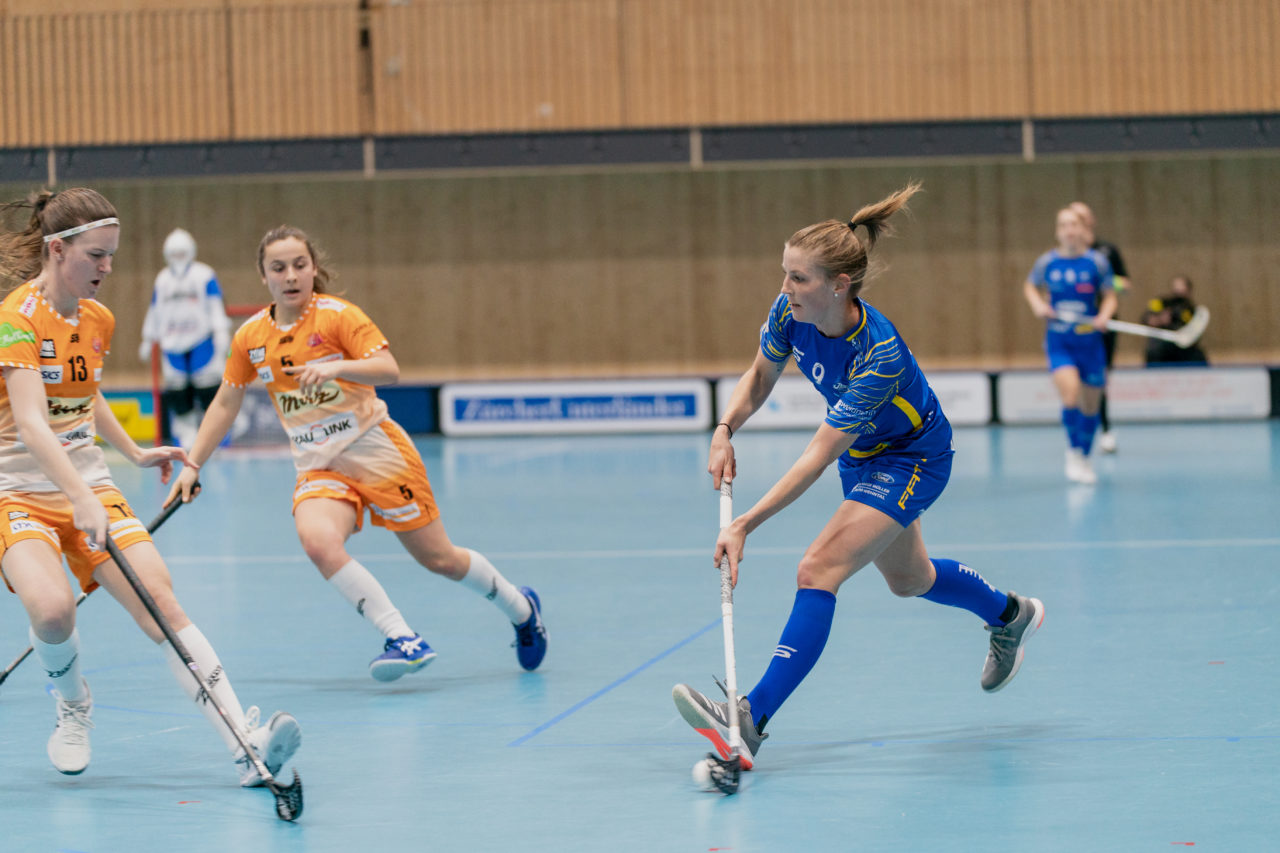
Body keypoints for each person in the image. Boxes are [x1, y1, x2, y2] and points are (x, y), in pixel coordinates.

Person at [670, 184, 1044, 770]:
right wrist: (725, 426)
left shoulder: (879, 355)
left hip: (912, 456)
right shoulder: (788, 313)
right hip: (866, 457)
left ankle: (751, 719)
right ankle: (1010, 614)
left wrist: (744, 523)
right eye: (785, 275)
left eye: (799, 279)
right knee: (910, 579)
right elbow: (760, 377)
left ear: (838, 285)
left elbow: (817, 455)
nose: (785, 289)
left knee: (819, 568)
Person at [0, 187, 300, 784]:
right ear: (57, 250)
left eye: (112, 255)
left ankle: (247, 743)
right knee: (53, 610)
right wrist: (80, 498)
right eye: (96, 256)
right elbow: (33, 423)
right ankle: (74, 706)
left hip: (88, 480)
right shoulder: (14, 320)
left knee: (161, 604)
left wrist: (133, 452)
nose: (108, 269)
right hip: (17, 489)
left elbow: (85, 396)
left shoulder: (98, 319)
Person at [164, 225, 547, 680]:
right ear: (263, 276)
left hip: (376, 452)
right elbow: (226, 401)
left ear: (314, 269)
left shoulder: (338, 316)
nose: (291, 276)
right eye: (279, 268)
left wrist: (338, 366)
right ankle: (402, 637)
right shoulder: (250, 337)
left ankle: (521, 609)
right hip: (319, 466)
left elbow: (388, 368)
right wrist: (192, 463)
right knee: (318, 542)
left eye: (299, 265)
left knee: (439, 558)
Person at [1023, 205, 1118, 485]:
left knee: (1091, 406)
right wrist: (1039, 305)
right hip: (1059, 341)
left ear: (1082, 230)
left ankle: (1085, 457)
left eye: (1073, 225)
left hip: (1090, 343)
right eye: (1063, 225)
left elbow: (1110, 296)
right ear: (1058, 231)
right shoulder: (1047, 263)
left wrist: (1104, 316)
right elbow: (1030, 286)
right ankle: (1073, 452)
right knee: (1071, 395)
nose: (1069, 230)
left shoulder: (1097, 262)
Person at [138, 228, 232, 448]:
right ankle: (187, 435)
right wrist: (148, 337)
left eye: (182, 253)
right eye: (174, 254)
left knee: (209, 388)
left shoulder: (204, 275)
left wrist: (221, 333)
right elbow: (155, 310)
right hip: (172, 345)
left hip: (202, 342)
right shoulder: (162, 280)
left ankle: (217, 434)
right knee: (178, 392)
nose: (179, 259)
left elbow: (215, 305)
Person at [1068, 202, 1130, 454]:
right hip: (1074, 329)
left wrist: (1104, 282)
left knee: (1098, 381)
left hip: (1103, 327)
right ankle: (1080, 438)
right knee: (1075, 385)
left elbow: (1124, 285)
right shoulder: (1065, 254)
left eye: (1081, 217)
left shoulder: (1106, 251)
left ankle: (1104, 430)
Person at [1141, 275, 1209, 365]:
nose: (1178, 291)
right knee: (1154, 351)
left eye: (1182, 288)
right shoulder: (1162, 303)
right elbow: (1146, 318)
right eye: (1176, 288)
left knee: (1198, 356)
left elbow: (1193, 333)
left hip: (1184, 346)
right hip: (1163, 343)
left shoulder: (1192, 310)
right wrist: (1159, 320)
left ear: (1188, 291)